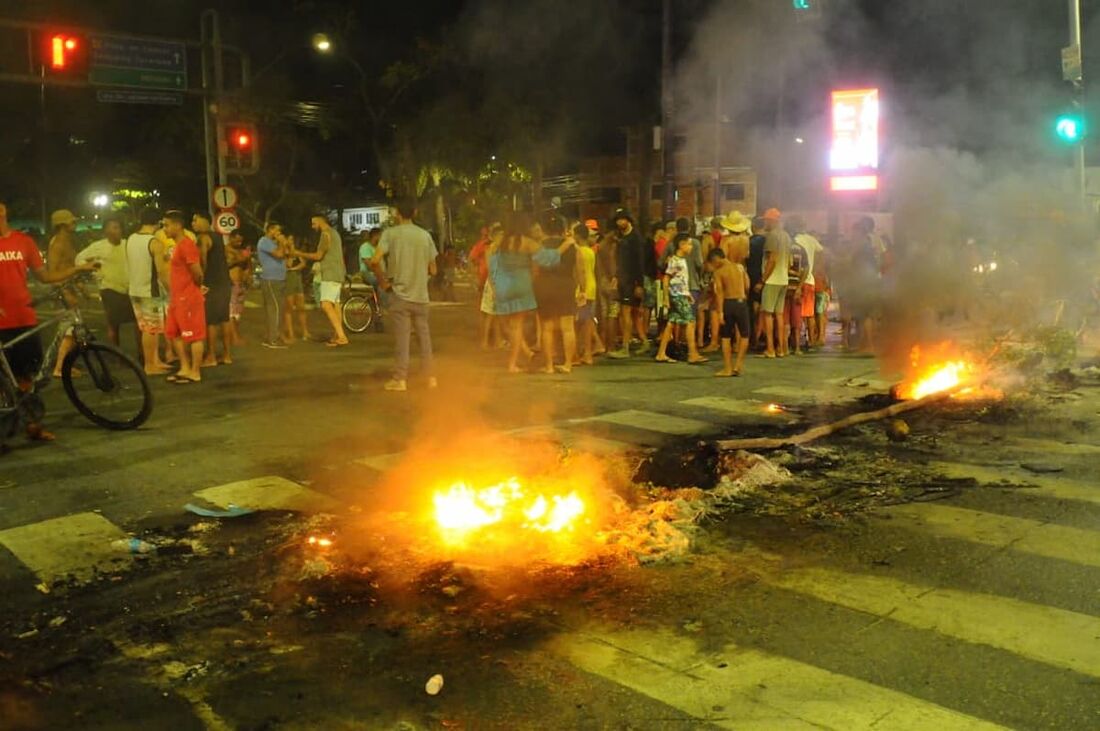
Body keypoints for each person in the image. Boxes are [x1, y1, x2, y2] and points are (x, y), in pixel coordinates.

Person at [0, 201, 97, 440]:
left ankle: (32, 425)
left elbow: (45, 276)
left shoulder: (23, 242)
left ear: (3, 211)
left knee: (27, 377)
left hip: (24, 316)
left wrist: (77, 270)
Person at [370, 198, 438, 391]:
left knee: (403, 338)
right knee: (424, 337)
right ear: (415, 213)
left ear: (397, 213)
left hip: (399, 294)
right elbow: (433, 269)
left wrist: (383, 282)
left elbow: (375, 261)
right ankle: (430, 377)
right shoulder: (425, 236)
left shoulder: (390, 234)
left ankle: (400, 379)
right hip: (421, 296)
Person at [76, 215, 138, 354]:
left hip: (129, 289)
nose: (117, 231)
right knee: (113, 324)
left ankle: (142, 354)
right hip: (109, 288)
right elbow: (79, 259)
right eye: (113, 228)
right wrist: (93, 268)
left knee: (138, 323)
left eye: (118, 227)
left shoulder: (127, 244)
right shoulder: (98, 247)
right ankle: (116, 354)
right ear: (105, 231)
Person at [488, 213, 540, 373]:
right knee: (517, 325)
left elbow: (492, 269)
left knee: (510, 326)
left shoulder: (500, 243)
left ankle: (518, 357)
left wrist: (495, 287)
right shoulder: (529, 243)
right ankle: (513, 363)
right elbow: (536, 268)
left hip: (504, 285)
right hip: (522, 284)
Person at [532, 214, 581, 374]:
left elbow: (535, 270)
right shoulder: (573, 246)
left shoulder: (539, 246)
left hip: (545, 286)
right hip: (565, 286)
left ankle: (549, 366)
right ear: (564, 229)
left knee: (547, 328)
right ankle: (567, 364)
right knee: (567, 327)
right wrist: (583, 289)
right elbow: (579, 271)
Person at [126, 208, 172, 374]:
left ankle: (155, 361)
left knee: (148, 327)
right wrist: (171, 290)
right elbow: (161, 271)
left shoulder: (131, 238)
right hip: (149, 291)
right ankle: (150, 365)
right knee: (151, 329)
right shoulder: (154, 243)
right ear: (158, 223)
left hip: (134, 289)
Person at [162, 211, 206, 384]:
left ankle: (195, 371)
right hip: (177, 297)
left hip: (188, 298)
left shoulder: (187, 245)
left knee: (194, 335)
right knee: (174, 333)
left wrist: (195, 287)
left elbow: (198, 273)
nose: (164, 228)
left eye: (166, 225)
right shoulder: (177, 246)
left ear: (177, 225)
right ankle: (185, 367)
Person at [293, 215, 348, 347]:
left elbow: (318, 255)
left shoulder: (325, 234)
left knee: (325, 304)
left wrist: (298, 253)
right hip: (338, 272)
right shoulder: (335, 233)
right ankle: (337, 335)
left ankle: (341, 336)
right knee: (335, 305)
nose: (313, 227)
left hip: (330, 272)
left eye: (313, 223)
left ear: (319, 222)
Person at [655, 234, 706, 364]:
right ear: (681, 245)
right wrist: (666, 297)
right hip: (677, 295)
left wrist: (687, 293)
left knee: (671, 323)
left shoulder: (681, 260)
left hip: (680, 293)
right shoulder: (675, 261)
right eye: (689, 244)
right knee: (690, 321)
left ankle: (661, 353)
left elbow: (680, 279)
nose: (691, 247)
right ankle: (692, 353)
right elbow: (667, 278)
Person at [607, 211, 650, 358]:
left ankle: (625, 348)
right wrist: (616, 277)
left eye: (622, 220)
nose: (619, 223)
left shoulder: (635, 239)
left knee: (626, 314)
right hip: (624, 281)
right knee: (633, 314)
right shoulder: (622, 238)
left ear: (628, 220)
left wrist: (639, 284)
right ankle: (644, 342)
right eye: (618, 220)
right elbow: (620, 262)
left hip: (632, 282)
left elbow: (639, 262)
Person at [193, 213, 232, 366]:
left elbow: (202, 261)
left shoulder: (203, 238)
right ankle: (227, 355)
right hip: (224, 282)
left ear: (205, 220)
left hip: (212, 284)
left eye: (196, 219)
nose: (193, 223)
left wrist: (200, 281)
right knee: (224, 319)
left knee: (210, 321)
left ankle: (211, 356)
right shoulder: (218, 236)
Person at [47, 209, 80, 377]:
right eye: (72, 222)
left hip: (69, 287)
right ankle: (60, 367)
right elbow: (52, 272)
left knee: (73, 329)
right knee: (69, 329)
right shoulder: (58, 243)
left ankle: (64, 365)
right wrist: (64, 292)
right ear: (62, 225)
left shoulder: (67, 241)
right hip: (62, 290)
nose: (75, 224)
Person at [708, 247, 750, 377]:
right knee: (744, 335)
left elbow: (719, 293)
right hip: (741, 302)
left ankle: (727, 368)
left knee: (726, 337)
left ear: (716, 259)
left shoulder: (719, 273)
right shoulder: (740, 267)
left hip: (728, 303)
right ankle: (738, 365)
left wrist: (720, 312)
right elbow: (747, 285)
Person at [756, 208, 791, 358]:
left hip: (772, 280)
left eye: (766, 220)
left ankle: (770, 348)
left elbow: (772, 259)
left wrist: (762, 280)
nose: (765, 222)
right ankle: (782, 349)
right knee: (779, 315)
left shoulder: (772, 236)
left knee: (767, 315)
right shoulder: (787, 236)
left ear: (772, 221)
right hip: (783, 279)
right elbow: (788, 261)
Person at [789, 216, 824, 353]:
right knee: (810, 314)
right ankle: (811, 340)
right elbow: (821, 253)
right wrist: (816, 270)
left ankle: (796, 342)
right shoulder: (812, 239)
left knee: (796, 314)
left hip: (797, 280)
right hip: (810, 280)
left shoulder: (795, 241)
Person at [573, 223, 602, 365]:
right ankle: (586, 352)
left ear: (578, 235)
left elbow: (580, 272)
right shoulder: (590, 251)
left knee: (583, 322)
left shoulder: (579, 251)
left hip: (583, 290)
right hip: (592, 287)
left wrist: (581, 290)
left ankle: (586, 354)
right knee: (586, 320)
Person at [257, 222, 288, 349]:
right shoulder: (264, 241)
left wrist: (285, 243)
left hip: (279, 278)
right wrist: (281, 243)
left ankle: (273, 336)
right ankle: (272, 340)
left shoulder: (274, 243)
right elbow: (279, 254)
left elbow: (287, 253)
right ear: (270, 230)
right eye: (277, 230)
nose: (279, 233)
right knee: (273, 308)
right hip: (271, 278)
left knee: (278, 309)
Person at [225, 231, 252, 345]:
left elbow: (248, 266)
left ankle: (234, 335)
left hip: (240, 284)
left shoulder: (242, 251)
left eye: (241, 241)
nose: (239, 243)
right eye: (237, 240)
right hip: (230, 283)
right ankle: (234, 337)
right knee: (231, 312)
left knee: (237, 313)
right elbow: (226, 264)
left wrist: (248, 274)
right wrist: (239, 259)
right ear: (230, 238)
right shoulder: (224, 250)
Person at [283, 235, 311, 342]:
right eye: (289, 239)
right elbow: (288, 265)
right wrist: (290, 253)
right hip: (288, 279)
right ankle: (290, 333)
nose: (291, 242)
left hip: (297, 278)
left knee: (301, 307)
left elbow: (303, 263)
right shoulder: (284, 253)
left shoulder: (296, 252)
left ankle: (305, 331)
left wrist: (295, 266)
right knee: (289, 307)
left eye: (292, 240)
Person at [747, 216, 767, 349]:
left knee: (752, 307)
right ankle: (761, 335)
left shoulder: (749, 242)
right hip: (765, 277)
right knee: (763, 308)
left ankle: (753, 336)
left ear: (753, 227)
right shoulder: (767, 241)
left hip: (750, 276)